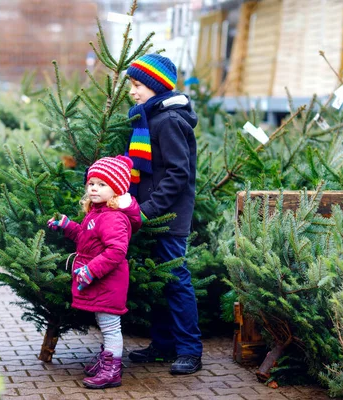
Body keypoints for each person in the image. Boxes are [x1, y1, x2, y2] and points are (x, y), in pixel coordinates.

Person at [124, 54, 203, 374]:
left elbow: (177, 174)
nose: (132, 91)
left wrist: (148, 210)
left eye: (138, 84)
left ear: (156, 86)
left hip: (168, 216)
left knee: (175, 279)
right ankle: (163, 344)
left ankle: (190, 350)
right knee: (158, 279)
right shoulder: (148, 117)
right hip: (150, 213)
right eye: (131, 84)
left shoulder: (168, 120)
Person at [47, 155, 142, 389]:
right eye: (91, 184)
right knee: (104, 322)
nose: (94, 189)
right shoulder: (97, 212)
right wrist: (68, 226)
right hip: (99, 279)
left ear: (117, 190)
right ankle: (106, 359)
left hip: (108, 280)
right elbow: (85, 238)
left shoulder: (113, 217)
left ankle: (112, 369)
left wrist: (91, 270)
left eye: (102, 185)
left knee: (110, 325)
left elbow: (116, 251)